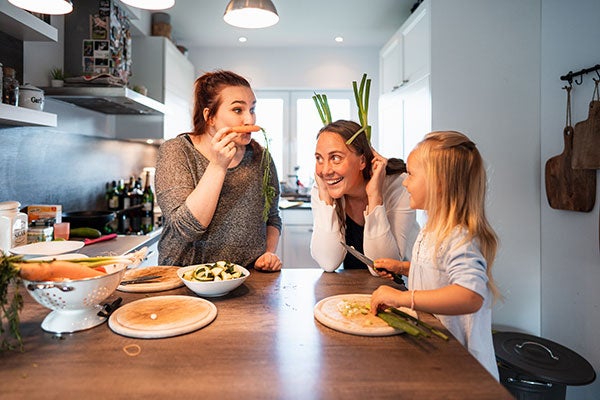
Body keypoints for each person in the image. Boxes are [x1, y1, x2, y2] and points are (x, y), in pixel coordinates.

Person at [370, 131, 501, 380]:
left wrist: (403, 298)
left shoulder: (459, 236)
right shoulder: (432, 228)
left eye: (412, 174)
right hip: (440, 354)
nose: (405, 182)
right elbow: (438, 270)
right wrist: (403, 268)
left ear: (439, 182)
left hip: (465, 369)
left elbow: (470, 295)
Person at [155, 70, 282, 271]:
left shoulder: (261, 157)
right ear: (210, 116)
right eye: (238, 110)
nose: (250, 120)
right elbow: (186, 229)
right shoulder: (177, 151)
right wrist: (218, 165)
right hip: (184, 279)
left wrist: (268, 253)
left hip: (247, 278)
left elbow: (272, 216)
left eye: (252, 109)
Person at [310, 119, 420, 275]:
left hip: (403, 288)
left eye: (335, 158)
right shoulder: (323, 188)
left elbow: (381, 268)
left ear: (362, 160)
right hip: (353, 291)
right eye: (319, 158)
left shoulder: (399, 185)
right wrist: (326, 199)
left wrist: (375, 196)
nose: (325, 170)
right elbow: (328, 262)